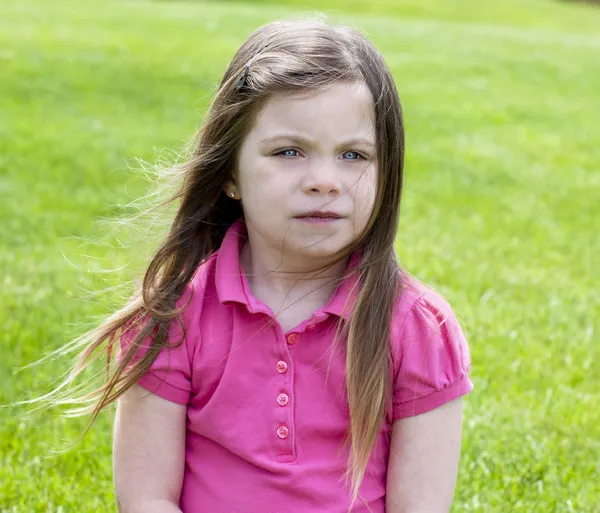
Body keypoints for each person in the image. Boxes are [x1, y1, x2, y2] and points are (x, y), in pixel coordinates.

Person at [61, 16, 474, 513]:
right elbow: (147, 497)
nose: (324, 180)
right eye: (289, 151)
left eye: (353, 155)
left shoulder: (418, 330)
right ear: (230, 172)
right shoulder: (172, 315)